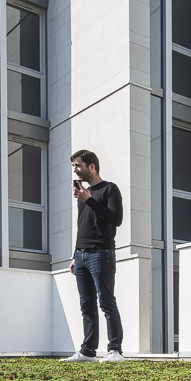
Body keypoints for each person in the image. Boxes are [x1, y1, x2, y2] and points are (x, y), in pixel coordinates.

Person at [62, 149, 125, 362]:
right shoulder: (83, 194)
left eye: (78, 166)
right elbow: (82, 225)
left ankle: (115, 350)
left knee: (106, 302)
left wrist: (90, 200)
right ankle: (88, 351)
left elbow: (116, 219)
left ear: (92, 166)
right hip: (81, 255)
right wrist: (74, 255)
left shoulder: (109, 189)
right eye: (73, 167)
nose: (75, 170)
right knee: (86, 304)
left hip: (102, 253)